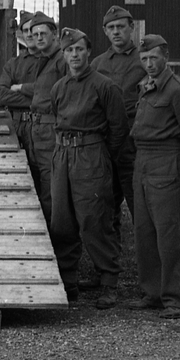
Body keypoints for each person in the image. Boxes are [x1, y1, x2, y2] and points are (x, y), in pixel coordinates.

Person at [128, 34, 180, 319]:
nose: (149, 64)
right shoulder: (146, 87)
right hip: (143, 162)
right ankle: (153, 292)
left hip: (167, 162)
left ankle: (175, 298)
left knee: (169, 235)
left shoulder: (177, 90)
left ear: (166, 57)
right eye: (144, 59)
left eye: (153, 58)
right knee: (145, 233)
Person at [49, 28, 128, 303]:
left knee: (94, 219)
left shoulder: (104, 86)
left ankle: (108, 281)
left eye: (79, 49)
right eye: (69, 50)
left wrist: (100, 156)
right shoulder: (59, 88)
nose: (74, 55)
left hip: (91, 156)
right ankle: (68, 280)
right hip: (62, 157)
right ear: (63, 54)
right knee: (62, 220)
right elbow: (56, 118)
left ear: (89, 52)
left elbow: (119, 129)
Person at [85, 4, 148, 303]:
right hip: (106, 149)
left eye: (121, 27)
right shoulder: (97, 63)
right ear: (104, 32)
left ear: (132, 27)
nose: (116, 33)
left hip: (134, 151)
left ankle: (152, 284)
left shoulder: (145, 60)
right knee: (104, 214)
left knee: (144, 215)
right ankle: (107, 279)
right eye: (111, 28)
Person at [12, 12, 65, 224]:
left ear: (55, 34)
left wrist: (22, 88)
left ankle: (59, 245)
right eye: (35, 34)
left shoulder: (61, 61)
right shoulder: (44, 61)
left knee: (51, 191)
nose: (39, 38)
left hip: (51, 132)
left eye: (43, 33)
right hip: (37, 132)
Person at [0, 11, 41, 152]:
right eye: (25, 30)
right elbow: (2, 95)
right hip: (16, 126)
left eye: (32, 30)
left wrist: (20, 88)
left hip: (42, 127)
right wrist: (37, 97)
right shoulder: (13, 64)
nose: (28, 34)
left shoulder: (51, 63)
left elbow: (51, 93)